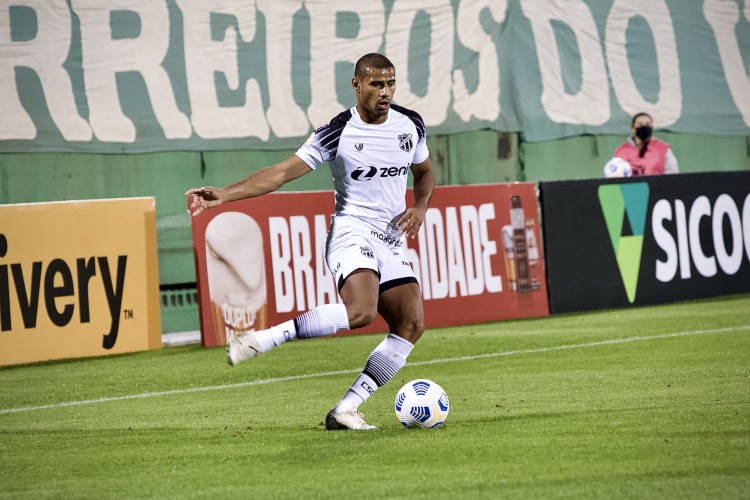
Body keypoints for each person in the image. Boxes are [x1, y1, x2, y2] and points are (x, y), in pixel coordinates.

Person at [185, 53, 434, 431]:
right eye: (376, 84)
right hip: (352, 231)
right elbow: (282, 172)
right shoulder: (338, 131)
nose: (385, 92)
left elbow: (425, 171)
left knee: (411, 323)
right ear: (357, 85)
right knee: (360, 312)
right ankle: (260, 339)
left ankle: (346, 409)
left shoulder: (410, 124)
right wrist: (224, 194)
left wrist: (420, 204)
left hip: (392, 238)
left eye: (391, 83)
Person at [611, 112, 679, 176]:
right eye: (640, 124)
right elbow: (614, 174)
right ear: (632, 128)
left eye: (648, 124)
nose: (644, 127)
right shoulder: (621, 152)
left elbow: (672, 174)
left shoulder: (662, 149)